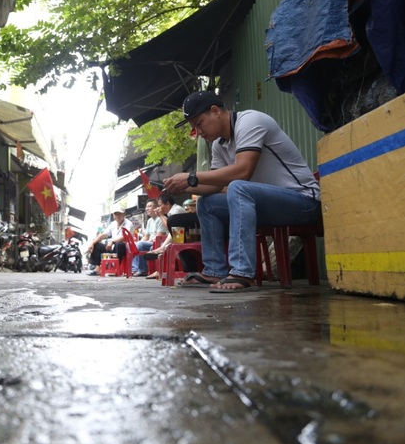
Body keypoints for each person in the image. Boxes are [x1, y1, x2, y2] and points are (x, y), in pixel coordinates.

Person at [163, 90, 321, 292]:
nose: (199, 132)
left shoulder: (250, 121)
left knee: (238, 187)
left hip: (303, 202)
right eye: (194, 128)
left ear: (215, 111)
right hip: (267, 207)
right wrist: (185, 185)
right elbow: (215, 185)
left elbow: (243, 170)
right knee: (207, 203)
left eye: (199, 123)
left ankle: (242, 272)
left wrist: (192, 177)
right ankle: (213, 270)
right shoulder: (219, 144)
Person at [85, 206, 133, 275]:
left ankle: (116, 268)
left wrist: (112, 241)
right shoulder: (113, 224)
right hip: (113, 248)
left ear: (124, 214)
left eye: (120, 214)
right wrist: (92, 243)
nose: (118, 216)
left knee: (118, 244)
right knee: (97, 245)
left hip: (125, 248)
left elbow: (125, 237)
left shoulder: (128, 224)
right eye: (116, 214)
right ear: (113, 216)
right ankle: (97, 268)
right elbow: (103, 234)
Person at [131, 199, 168, 276]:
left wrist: (141, 243)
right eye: (146, 207)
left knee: (140, 245)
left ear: (156, 208)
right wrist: (138, 243)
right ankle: (135, 269)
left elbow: (159, 236)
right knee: (136, 245)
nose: (147, 209)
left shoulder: (160, 219)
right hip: (150, 242)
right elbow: (146, 236)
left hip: (160, 243)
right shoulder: (150, 221)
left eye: (149, 206)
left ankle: (143, 270)